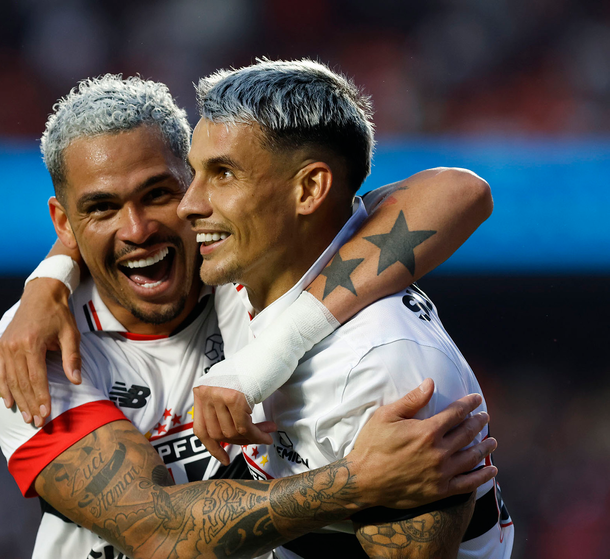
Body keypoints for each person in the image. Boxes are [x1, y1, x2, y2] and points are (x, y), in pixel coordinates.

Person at [0, 74, 496, 559]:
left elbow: (458, 192)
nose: (137, 230)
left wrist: (271, 354)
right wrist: (357, 482)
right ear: (64, 223)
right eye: (102, 208)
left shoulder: (243, 270)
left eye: (159, 194)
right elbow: (156, 534)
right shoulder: (29, 353)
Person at [173, 59, 513, 558]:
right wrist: (57, 276)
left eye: (223, 174)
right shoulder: (254, 267)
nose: (188, 204)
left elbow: (465, 190)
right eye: (195, 173)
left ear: (309, 189)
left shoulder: (379, 369)